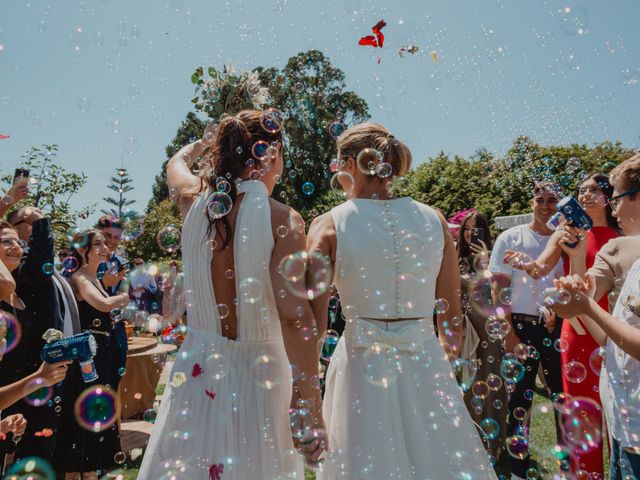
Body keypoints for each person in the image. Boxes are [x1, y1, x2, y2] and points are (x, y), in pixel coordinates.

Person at [139, 111, 326, 479]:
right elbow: (293, 317)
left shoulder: (192, 201)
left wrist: (202, 144)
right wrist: (311, 406)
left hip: (199, 368)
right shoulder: (285, 219)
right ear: (270, 155)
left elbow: (174, 163)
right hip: (262, 379)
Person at [308, 122, 496, 479]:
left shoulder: (327, 225)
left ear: (350, 165)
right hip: (425, 360)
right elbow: (451, 318)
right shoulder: (434, 220)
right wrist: (438, 369)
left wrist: (306, 393)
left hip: (360, 368)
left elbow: (314, 324)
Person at [502, 173, 619, 477]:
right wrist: (523, 263)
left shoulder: (622, 235)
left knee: (618, 412)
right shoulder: (566, 232)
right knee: (580, 412)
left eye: (595, 189)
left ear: (609, 196)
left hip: (612, 326)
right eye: (582, 190)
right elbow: (540, 268)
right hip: (576, 328)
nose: (587, 194)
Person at [548, 153, 640, 480]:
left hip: (616, 349)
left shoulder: (622, 245)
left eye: (614, 197)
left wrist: (583, 306)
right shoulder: (605, 249)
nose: (613, 207)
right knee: (587, 420)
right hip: (599, 342)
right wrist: (574, 263)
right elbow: (584, 297)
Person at [488, 181, 565, 480]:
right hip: (519, 326)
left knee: (562, 398)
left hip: (555, 328)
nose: (545, 205)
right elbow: (499, 290)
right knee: (520, 400)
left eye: (552, 200)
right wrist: (509, 334)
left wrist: (555, 309)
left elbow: (562, 286)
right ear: (532, 201)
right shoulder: (511, 237)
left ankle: (567, 466)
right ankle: (519, 468)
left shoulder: (562, 241)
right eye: (540, 199)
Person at [54, 230, 130, 479]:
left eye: (104, 244)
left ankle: (93, 469)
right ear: (83, 249)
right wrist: (123, 297)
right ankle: (80, 471)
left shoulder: (94, 277)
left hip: (102, 353)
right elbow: (103, 305)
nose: (104, 247)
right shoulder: (80, 278)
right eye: (96, 244)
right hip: (89, 358)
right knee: (86, 413)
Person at [0, 207, 71, 467]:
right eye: (7, 241)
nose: (17, 247)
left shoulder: (18, 290)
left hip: (26, 386)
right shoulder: (23, 278)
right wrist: (41, 223)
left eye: (19, 243)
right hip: (14, 388)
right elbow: (42, 258)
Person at [457, 211, 508, 460]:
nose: (470, 233)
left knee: (491, 383)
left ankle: (494, 446)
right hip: (465, 330)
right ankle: (470, 443)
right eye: (466, 228)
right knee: (468, 383)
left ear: (484, 232)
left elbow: (500, 294)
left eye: (475, 229)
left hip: (489, 329)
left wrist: (487, 262)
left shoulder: (494, 257)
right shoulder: (456, 259)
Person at [161, 260, 186, 325]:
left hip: (179, 299)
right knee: (170, 317)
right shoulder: (166, 275)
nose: (173, 267)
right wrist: (170, 277)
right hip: (169, 299)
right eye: (171, 266)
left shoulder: (181, 276)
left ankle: (179, 330)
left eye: (174, 265)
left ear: (177, 266)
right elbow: (163, 286)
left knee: (178, 316)